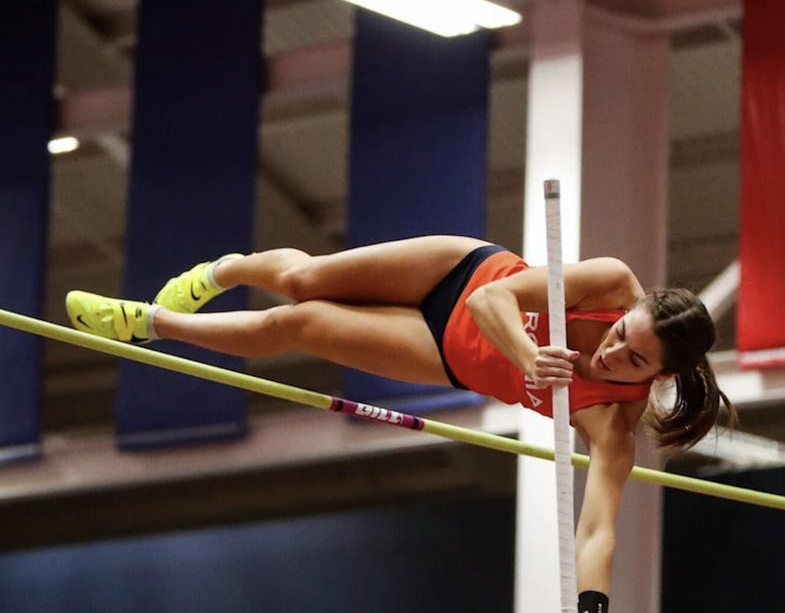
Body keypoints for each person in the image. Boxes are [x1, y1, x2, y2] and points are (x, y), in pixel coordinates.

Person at [66, 235, 734, 613]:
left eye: (632, 358)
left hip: (444, 355)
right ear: (628, 307)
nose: (610, 351)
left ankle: (147, 324)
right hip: (462, 272)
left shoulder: (613, 424)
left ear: (661, 376)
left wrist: (592, 606)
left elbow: (598, 528)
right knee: (303, 280)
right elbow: (493, 299)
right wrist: (534, 359)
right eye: (619, 333)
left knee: (296, 324)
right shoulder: (611, 280)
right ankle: (225, 267)